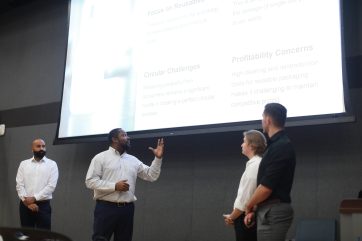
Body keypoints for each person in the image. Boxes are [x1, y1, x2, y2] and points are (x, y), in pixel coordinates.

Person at [85, 128, 165, 241]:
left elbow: (151, 175)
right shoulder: (100, 158)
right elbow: (90, 181)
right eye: (124, 135)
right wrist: (114, 186)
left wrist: (158, 158)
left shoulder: (133, 160)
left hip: (127, 210)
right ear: (114, 139)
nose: (128, 138)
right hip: (105, 208)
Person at [244, 103, 296, 241]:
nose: (262, 121)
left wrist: (248, 206)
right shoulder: (275, 146)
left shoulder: (281, 146)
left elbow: (266, 188)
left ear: (267, 120)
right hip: (268, 210)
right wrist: (255, 209)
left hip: (274, 211)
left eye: (262, 117)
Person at [224, 130, 267, 241]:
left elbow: (246, 199)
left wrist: (232, 217)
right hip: (245, 216)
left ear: (252, 145)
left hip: (245, 217)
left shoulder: (255, 165)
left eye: (244, 141)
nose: (241, 144)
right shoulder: (255, 164)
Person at [15, 138, 59, 230]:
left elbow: (51, 186)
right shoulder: (23, 164)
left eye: (43, 146)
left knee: (44, 236)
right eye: (38, 146)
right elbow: (19, 185)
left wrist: (34, 198)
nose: (41, 148)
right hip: (25, 205)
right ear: (32, 149)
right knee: (26, 235)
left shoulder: (52, 164)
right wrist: (27, 203)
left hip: (43, 206)